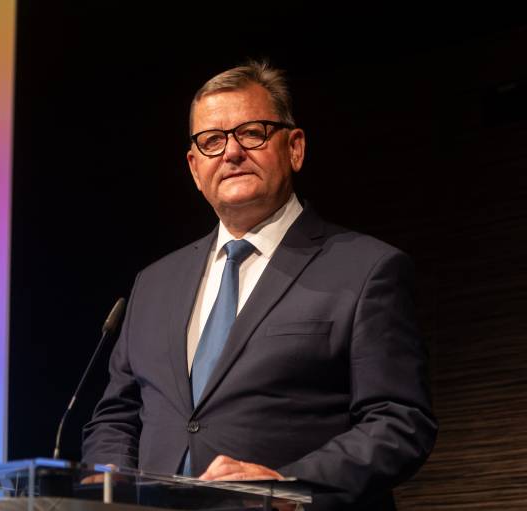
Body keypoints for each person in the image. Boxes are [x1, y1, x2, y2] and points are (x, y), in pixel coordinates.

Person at [81, 59, 437, 510]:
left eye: (252, 133)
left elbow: (399, 421)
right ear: (194, 168)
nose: (231, 152)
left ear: (295, 148)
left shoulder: (367, 269)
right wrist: (111, 481)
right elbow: (117, 415)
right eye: (212, 140)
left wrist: (289, 485)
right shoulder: (153, 283)